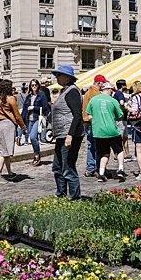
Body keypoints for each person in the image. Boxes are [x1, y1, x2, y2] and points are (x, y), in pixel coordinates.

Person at [49, 63, 84, 199]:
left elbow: (77, 114)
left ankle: (75, 198)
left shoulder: (73, 91)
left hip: (69, 135)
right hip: (61, 135)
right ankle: (61, 195)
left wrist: (70, 135)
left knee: (68, 167)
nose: (56, 77)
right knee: (57, 167)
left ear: (67, 77)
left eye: (59, 75)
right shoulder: (65, 90)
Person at [84, 78, 126, 183]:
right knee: (119, 150)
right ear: (108, 90)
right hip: (112, 131)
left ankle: (101, 174)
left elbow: (88, 116)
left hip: (98, 132)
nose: (112, 92)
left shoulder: (93, 100)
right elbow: (120, 116)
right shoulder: (113, 101)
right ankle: (120, 169)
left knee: (104, 153)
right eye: (111, 90)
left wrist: (97, 118)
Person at [0, 77, 24, 180]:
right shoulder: (11, 98)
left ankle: (9, 172)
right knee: (4, 152)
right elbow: (17, 115)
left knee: (4, 150)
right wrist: (23, 127)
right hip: (7, 125)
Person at [25, 79, 50, 166]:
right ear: (30, 86)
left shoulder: (41, 95)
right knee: (31, 139)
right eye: (32, 85)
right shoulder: (29, 96)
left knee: (32, 137)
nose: (34, 87)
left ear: (38, 85)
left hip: (37, 119)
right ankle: (36, 153)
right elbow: (25, 109)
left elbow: (45, 107)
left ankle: (37, 155)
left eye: (35, 85)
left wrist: (34, 107)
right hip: (30, 119)